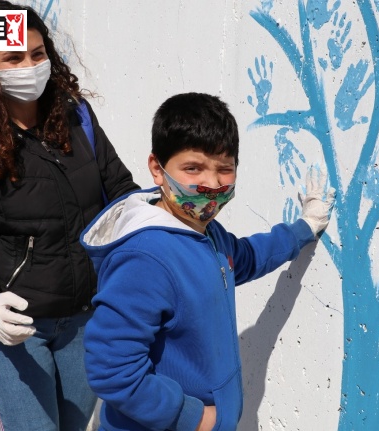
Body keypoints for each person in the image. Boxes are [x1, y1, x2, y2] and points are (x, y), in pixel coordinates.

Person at [0, 1, 140, 430]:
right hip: (17, 329)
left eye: (38, 54)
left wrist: (158, 220)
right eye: (13, 57)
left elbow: (119, 191)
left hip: (86, 318)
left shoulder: (75, 116)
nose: (30, 65)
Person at [81, 92, 335, 431]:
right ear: (157, 169)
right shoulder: (144, 258)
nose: (212, 184)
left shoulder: (206, 233)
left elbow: (246, 257)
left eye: (224, 169)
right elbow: (111, 371)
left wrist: (305, 227)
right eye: (193, 168)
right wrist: (193, 417)